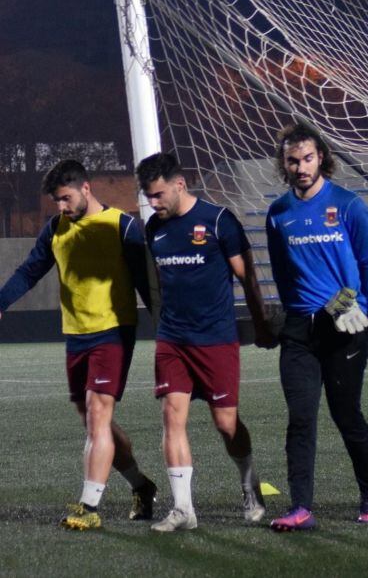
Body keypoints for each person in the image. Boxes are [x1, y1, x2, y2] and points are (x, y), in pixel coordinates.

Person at [0, 160, 157, 530]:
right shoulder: (56, 228)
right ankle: (141, 485)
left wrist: (165, 326)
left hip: (114, 332)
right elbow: (29, 270)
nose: (61, 207)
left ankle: (89, 507)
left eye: (66, 198)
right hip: (76, 336)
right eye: (56, 200)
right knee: (93, 420)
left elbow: (145, 281)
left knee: (98, 414)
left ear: (86, 188)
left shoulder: (122, 225)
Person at [137, 152, 275, 531]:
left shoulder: (218, 221)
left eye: (159, 194)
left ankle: (250, 486)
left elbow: (248, 279)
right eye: (149, 195)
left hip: (215, 339)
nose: (153, 203)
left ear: (180, 185)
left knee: (226, 423)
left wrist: (261, 324)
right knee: (171, 416)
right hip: (173, 339)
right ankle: (183, 509)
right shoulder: (154, 228)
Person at [264, 122, 368, 531]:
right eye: (293, 160)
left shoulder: (348, 206)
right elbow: (281, 270)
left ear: (322, 159)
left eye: (308, 158)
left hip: (344, 322)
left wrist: (365, 309)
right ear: (284, 164)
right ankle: (301, 506)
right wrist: (290, 312)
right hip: (300, 331)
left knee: (346, 413)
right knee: (301, 418)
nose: (301, 167)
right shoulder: (278, 213)